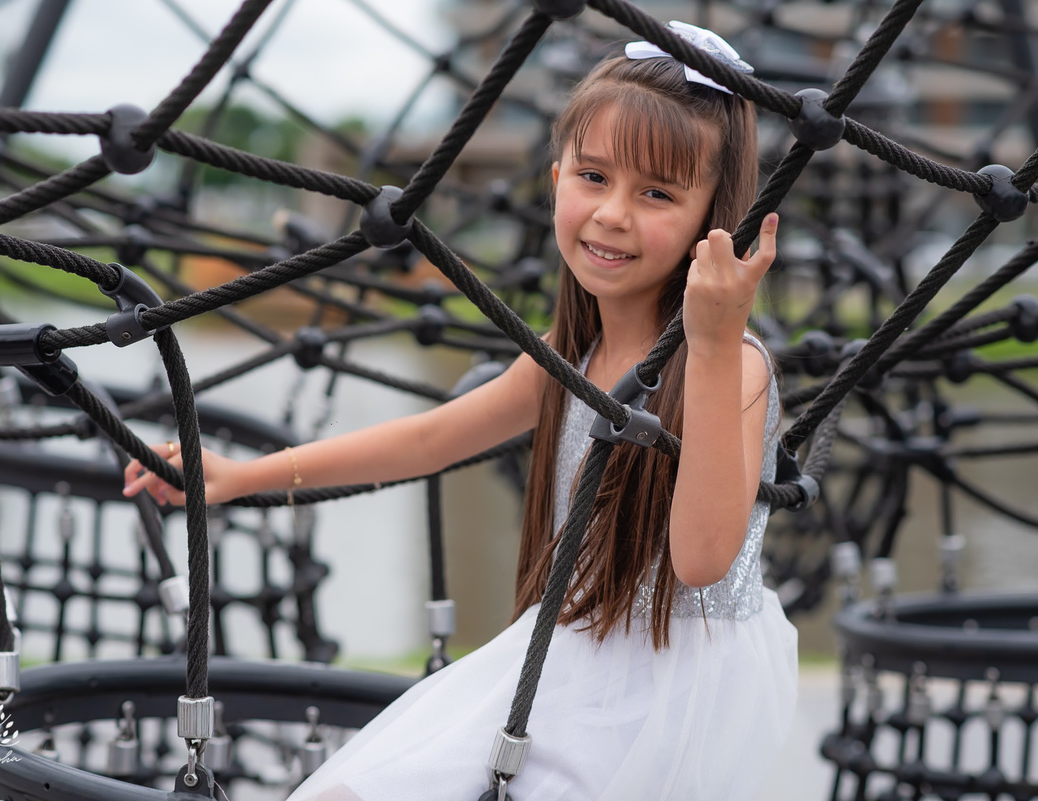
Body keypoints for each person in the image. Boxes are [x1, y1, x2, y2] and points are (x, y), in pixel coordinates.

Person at [123, 20, 797, 801]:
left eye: (656, 194)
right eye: (593, 177)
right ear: (555, 182)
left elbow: (701, 559)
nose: (612, 213)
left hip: (671, 691)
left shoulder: (732, 365)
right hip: (575, 645)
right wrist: (241, 477)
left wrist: (712, 344)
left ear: (716, 219)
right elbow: (433, 437)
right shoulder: (569, 352)